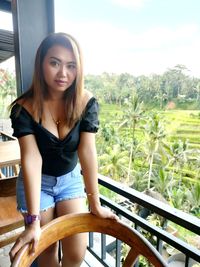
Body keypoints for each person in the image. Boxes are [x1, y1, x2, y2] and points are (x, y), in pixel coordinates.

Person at [9, 32, 117, 267]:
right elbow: (31, 159)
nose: (63, 73)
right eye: (54, 63)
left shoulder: (86, 103)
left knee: (77, 252)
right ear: (41, 63)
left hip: (70, 181)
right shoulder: (23, 108)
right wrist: (33, 221)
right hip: (39, 184)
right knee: (45, 251)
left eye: (71, 65)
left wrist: (95, 204)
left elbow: (87, 152)